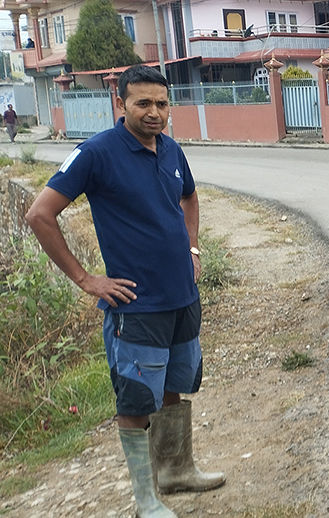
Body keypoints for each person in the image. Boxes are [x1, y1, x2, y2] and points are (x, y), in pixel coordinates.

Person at [24, 65, 224, 518]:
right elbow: (40, 214)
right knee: (136, 400)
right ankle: (146, 500)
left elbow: (189, 197)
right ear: (121, 103)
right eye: (143, 103)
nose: (154, 112)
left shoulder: (171, 149)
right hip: (136, 306)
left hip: (181, 297)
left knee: (174, 386)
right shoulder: (96, 153)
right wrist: (86, 279)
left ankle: (176, 471)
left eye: (162, 104)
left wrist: (192, 248)